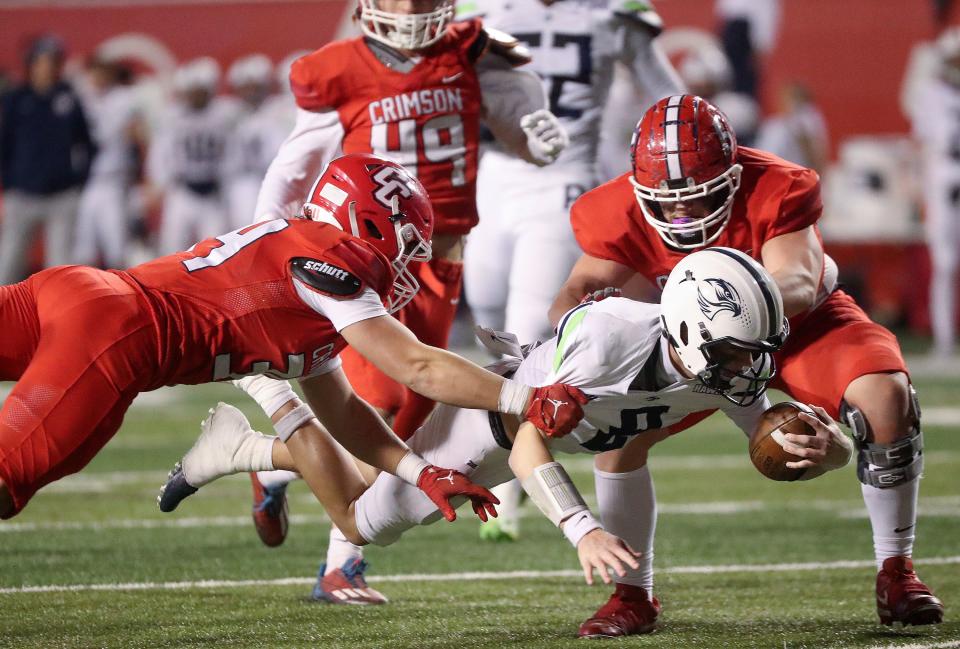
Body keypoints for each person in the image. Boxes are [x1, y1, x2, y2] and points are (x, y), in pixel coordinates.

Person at [160, 247, 852, 617]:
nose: (749, 369)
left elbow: (780, 431)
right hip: (488, 421)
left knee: (367, 485)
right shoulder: (609, 344)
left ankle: (260, 449)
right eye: (738, 352)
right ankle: (264, 404)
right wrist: (579, 526)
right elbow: (527, 438)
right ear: (693, 330)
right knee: (364, 518)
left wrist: (833, 448)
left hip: (528, 421)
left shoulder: (710, 359)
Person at [0, 153, 586, 529]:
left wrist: (416, 471)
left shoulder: (311, 279)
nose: (407, 264)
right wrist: (523, 399)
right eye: (404, 244)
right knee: (9, 478)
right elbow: (418, 368)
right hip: (115, 335)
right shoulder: (335, 263)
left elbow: (346, 412)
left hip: (82, 293)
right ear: (368, 226)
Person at [549, 94, 944, 633]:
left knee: (886, 395)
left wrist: (723, 308)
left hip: (797, 328)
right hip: (695, 349)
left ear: (733, 175)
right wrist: (574, 326)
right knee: (620, 440)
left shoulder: (779, 185)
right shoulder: (613, 208)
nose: (682, 212)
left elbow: (800, 284)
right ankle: (632, 595)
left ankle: (896, 570)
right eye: (666, 202)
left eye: (700, 196)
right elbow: (579, 288)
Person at [247, 0, 570, 600]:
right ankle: (341, 563)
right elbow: (294, 164)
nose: (412, 9)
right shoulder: (337, 67)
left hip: (441, 258)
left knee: (413, 410)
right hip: (364, 258)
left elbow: (514, 109)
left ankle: (271, 465)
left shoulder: (468, 46)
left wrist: (534, 133)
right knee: (383, 398)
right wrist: (267, 233)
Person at [456, 0, 684, 541]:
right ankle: (497, 453)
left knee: (528, 327)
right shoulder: (478, 10)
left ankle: (509, 498)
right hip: (491, 176)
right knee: (488, 322)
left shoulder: (612, 14)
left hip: (564, 179)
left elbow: (670, 97)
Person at [0, 35, 94, 284]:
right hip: (23, 194)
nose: (49, 67)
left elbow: (86, 142)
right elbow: (4, 144)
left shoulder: (68, 97)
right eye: (44, 61)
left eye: (54, 61)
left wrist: (79, 180)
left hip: (61, 195)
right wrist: (8, 186)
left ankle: (55, 321)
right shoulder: (16, 99)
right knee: (8, 261)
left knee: (60, 268)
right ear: (32, 63)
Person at [147, 57, 235, 255]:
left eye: (201, 90)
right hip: (182, 189)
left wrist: (226, 181)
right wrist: (160, 182)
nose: (196, 96)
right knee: (172, 249)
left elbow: (231, 152)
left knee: (217, 251)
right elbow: (161, 153)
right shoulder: (173, 117)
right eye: (193, 91)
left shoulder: (223, 115)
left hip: (213, 191)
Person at [910, 27, 960, 359]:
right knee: (944, 262)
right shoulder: (931, 94)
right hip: (944, 178)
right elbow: (925, 143)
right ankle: (944, 340)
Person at [73, 56, 143, 269]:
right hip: (85, 182)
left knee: (117, 246)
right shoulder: (79, 98)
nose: (99, 77)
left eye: (104, 72)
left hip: (114, 179)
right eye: (96, 72)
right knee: (83, 249)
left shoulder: (124, 99)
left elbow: (137, 137)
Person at [224, 54, 287, 230]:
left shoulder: (278, 109)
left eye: (255, 87)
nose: (250, 92)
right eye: (246, 87)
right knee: (243, 229)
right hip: (241, 180)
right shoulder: (228, 112)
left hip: (272, 175)